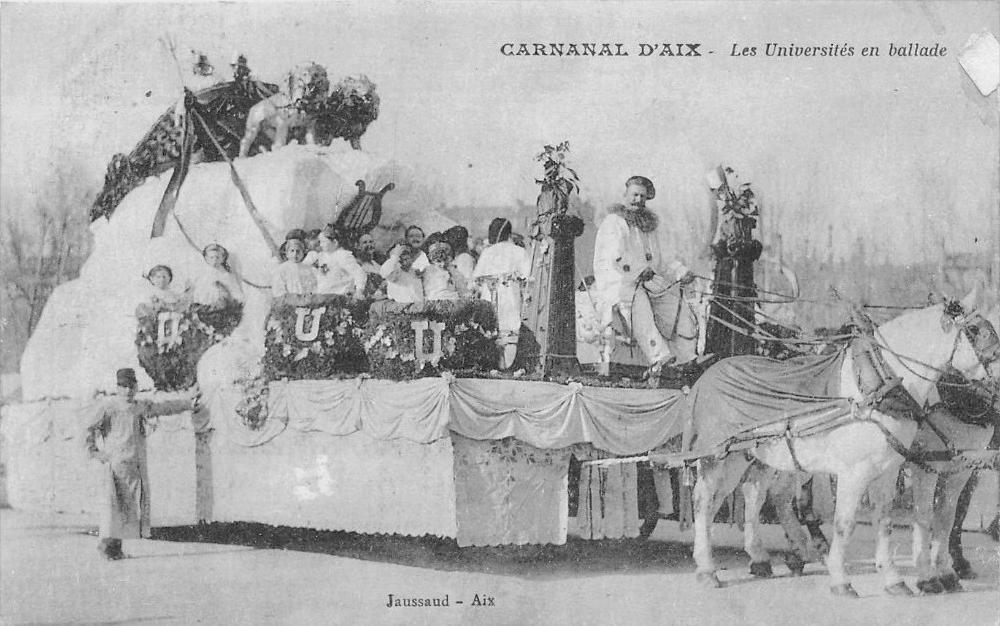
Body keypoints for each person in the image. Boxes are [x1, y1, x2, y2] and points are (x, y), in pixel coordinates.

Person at [593, 175, 698, 381]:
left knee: (673, 302)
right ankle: (659, 359)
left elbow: (663, 258)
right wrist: (639, 270)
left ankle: (685, 358)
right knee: (639, 304)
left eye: (642, 196)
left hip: (648, 281)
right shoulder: (614, 222)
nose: (638, 200)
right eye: (634, 195)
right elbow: (616, 255)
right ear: (625, 195)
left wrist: (681, 272)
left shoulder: (648, 226)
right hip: (619, 282)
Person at [84, 368, 195, 560]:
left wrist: (188, 403)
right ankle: (106, 546)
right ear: (117, 388)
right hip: (116, 466)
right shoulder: (108, 407)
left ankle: (115, 549)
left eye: (131, 386)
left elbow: (163, 407)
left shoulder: (139, 407)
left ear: (136, 387)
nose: (127, 391)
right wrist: (94, 452)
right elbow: (87, 428)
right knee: (113, 507)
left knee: (128, 507)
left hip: (135, 466)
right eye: (123, 387)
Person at [473, 217, 531, 369]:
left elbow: (476, 280)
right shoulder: (519, 251)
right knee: (509, 327)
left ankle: (495, 365)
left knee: (492, 328)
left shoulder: (487, 252)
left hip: (490, 296)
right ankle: (508, 365)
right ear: (509, 234)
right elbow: (528, 277)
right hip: (510, 296)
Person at [305, 225, 367, 297]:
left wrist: (359, 291)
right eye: (320, 242)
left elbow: (359, 273)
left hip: (340, 296)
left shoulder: (343, 255)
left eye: (323, 242)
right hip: (324, 295)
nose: (321, 245)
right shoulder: (322, 255)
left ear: (335, 242)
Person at [189, 243, 244, 309]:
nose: (214, 260)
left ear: (223, 258)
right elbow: (197, 291)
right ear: (206, 258)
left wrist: (237, 301)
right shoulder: (203, 274)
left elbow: (236, 292)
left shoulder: (226, 275)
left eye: (217, 257)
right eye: (211, 257)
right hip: (205, 306)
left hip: (222, 307)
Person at [272, 230, 317, 298]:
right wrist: (291, 298)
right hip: (289, 301)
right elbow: (278, 290)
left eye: (298, 251)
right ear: (287, 253)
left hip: (305, 300)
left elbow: (313, 286)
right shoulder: (282, 269)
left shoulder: (308, 268)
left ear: (303, 252)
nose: (295, 254)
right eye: (292, 251)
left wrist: (309, 294)